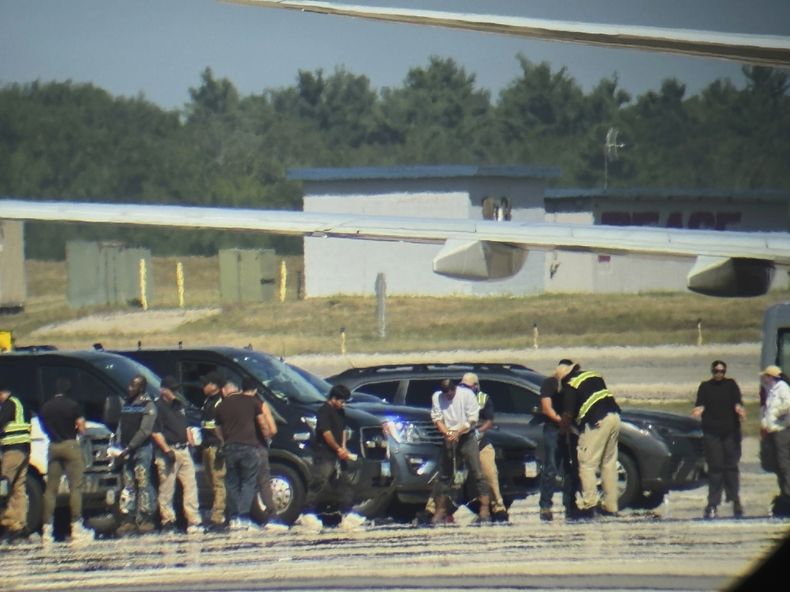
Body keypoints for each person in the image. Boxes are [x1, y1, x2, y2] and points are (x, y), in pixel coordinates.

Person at [296, 384, 366, 531]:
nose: (343, 404)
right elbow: (326, 433)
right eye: (341, 401)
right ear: (333, 398)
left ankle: (347, 513)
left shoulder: (340, 412)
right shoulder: (324, 411)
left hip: (338, 454)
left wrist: (343, 448)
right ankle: (307, 513)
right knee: (319, 481)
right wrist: (337, 448)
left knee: (344, 483)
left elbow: (343, 431)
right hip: (324, 453)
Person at [558, 360, 621, 519]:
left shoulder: (571, 385)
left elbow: (568, 414)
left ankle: (589, 505)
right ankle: (611, 506)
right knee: (608, 463)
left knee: (587, 464)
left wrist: (562, 430)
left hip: (597, 422)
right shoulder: (593, 375)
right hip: (615, 417)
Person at [38, 377, 93, 543]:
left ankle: (47, 528)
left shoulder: (45, 407)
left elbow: (43, 426)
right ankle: (76, 526)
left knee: (50, 490)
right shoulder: (73, 406)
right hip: (70, 445)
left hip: (53, 446)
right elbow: (82, 428)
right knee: (75, 487)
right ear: (69, 390)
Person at [430, 378, 490, 525]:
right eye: (446, 392)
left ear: (454, 388)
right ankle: (441, 509)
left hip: (466, 435)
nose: (448, 394)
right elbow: (437, 418)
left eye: (451, 390)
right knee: (445, 474)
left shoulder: (466, 395)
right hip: (449, 434)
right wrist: (447, 433)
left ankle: (485, 507)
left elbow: (472, 419)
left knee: (476, 471)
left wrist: (458, 431)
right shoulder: (437, 397)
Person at [692, 360, 746, 519]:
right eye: (716, 371)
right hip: (712, 433)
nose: (719, 374)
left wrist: (740, 410)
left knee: (731, 467)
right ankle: (713, 503)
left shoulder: (731, 385)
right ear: (712, 371)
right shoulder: (705, 387)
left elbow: (737, 402)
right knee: (715, 468)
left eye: (722, 371)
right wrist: (697, 411)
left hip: (730, 432)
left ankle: (735, 500)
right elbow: (700, 404)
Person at [215, 377, 269, 531]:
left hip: (230, 447)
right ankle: (243, 517)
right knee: (248, 482)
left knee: (231, 482)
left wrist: (223, 441)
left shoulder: (221, 406)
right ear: (237, 389)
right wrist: (266, 437)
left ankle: (233, 518)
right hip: (249, 447)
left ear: (225, 391)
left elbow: (217, 428)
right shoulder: (251, 402)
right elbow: (262, 423)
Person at [151, 376, 202, 534]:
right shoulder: (157, 407)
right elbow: (155, 432)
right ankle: (168, 521)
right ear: (163, 390)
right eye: (171, 389)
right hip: (168, 451)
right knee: (167, 487)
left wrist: (190, 441)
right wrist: (166, 450)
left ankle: (193, 520)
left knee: (191, 485)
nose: (174, 392)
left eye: (176, 389)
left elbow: (185, 425)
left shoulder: (179, 405)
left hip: (184, 449)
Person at [114, 375, 158, 536]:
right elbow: (120, 426)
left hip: (141, 450)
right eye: (130, 385)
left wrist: (131, 446)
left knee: (144, 482)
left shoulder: (148, 404)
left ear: (141, 388)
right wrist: (118, 445)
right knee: (128, 485)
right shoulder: (126, 403)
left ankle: (146, 518)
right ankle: (128, 519)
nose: (129, 388)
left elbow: (145, 430)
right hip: (126, 451)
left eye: (133, 386)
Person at [462, 372, 508, 522]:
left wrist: (478, 432)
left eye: (468, 387)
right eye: (462, 386)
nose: (464, 389)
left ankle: (498, 507)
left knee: (489, 472)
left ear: (476, 387)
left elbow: (489, 420)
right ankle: (432, 508)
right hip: (460, 441)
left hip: (480, 441)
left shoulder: (483, 398)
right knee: (447, 474)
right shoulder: (456, 398)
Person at [538, 360, 580, 522]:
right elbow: (546, 408)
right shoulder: (550, 383)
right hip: (553, 429)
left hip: (570, 429)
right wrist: (561, 422)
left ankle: (570, 502)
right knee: (551, 467)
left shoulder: (571, 386)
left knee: (570, 467)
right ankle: (545, 505)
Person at [240, 377, 281, 530]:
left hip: (238, 447)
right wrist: (267, 436)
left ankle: (242, 517)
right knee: (263, 482)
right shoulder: (260, 404)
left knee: (243, 483)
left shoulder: (233, 403)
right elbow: (272, 429)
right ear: (256, 390)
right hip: (257, 446)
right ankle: (272, 515)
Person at [0, 383, 32, 542]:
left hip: (12, 451)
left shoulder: (9, 404)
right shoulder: (22, 403)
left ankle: (6, 522)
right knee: (18, 488)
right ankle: (18, 524)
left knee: (4, 487)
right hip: (24, 450)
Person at [759, 365, 790, 517]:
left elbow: (788, 404)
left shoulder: (782, 388)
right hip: (772, 431)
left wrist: (777, 413)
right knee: (777, 464)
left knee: (784, 463)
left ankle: (788, 493)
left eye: (766, 376)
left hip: (781, 431)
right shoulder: (771, 390)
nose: (764, 379)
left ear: (771, 376)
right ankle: (785, 493)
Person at [200, 371, 227, 531]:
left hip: (216, 446)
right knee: (211, 482)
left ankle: (218, 516)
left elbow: (217, 425)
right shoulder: (207, 401)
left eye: (207, 383)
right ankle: (215, 512)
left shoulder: (220, 403)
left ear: (215, 386)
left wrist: (222, 445)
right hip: (206, 446)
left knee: (218, 482)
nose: (203, 386)